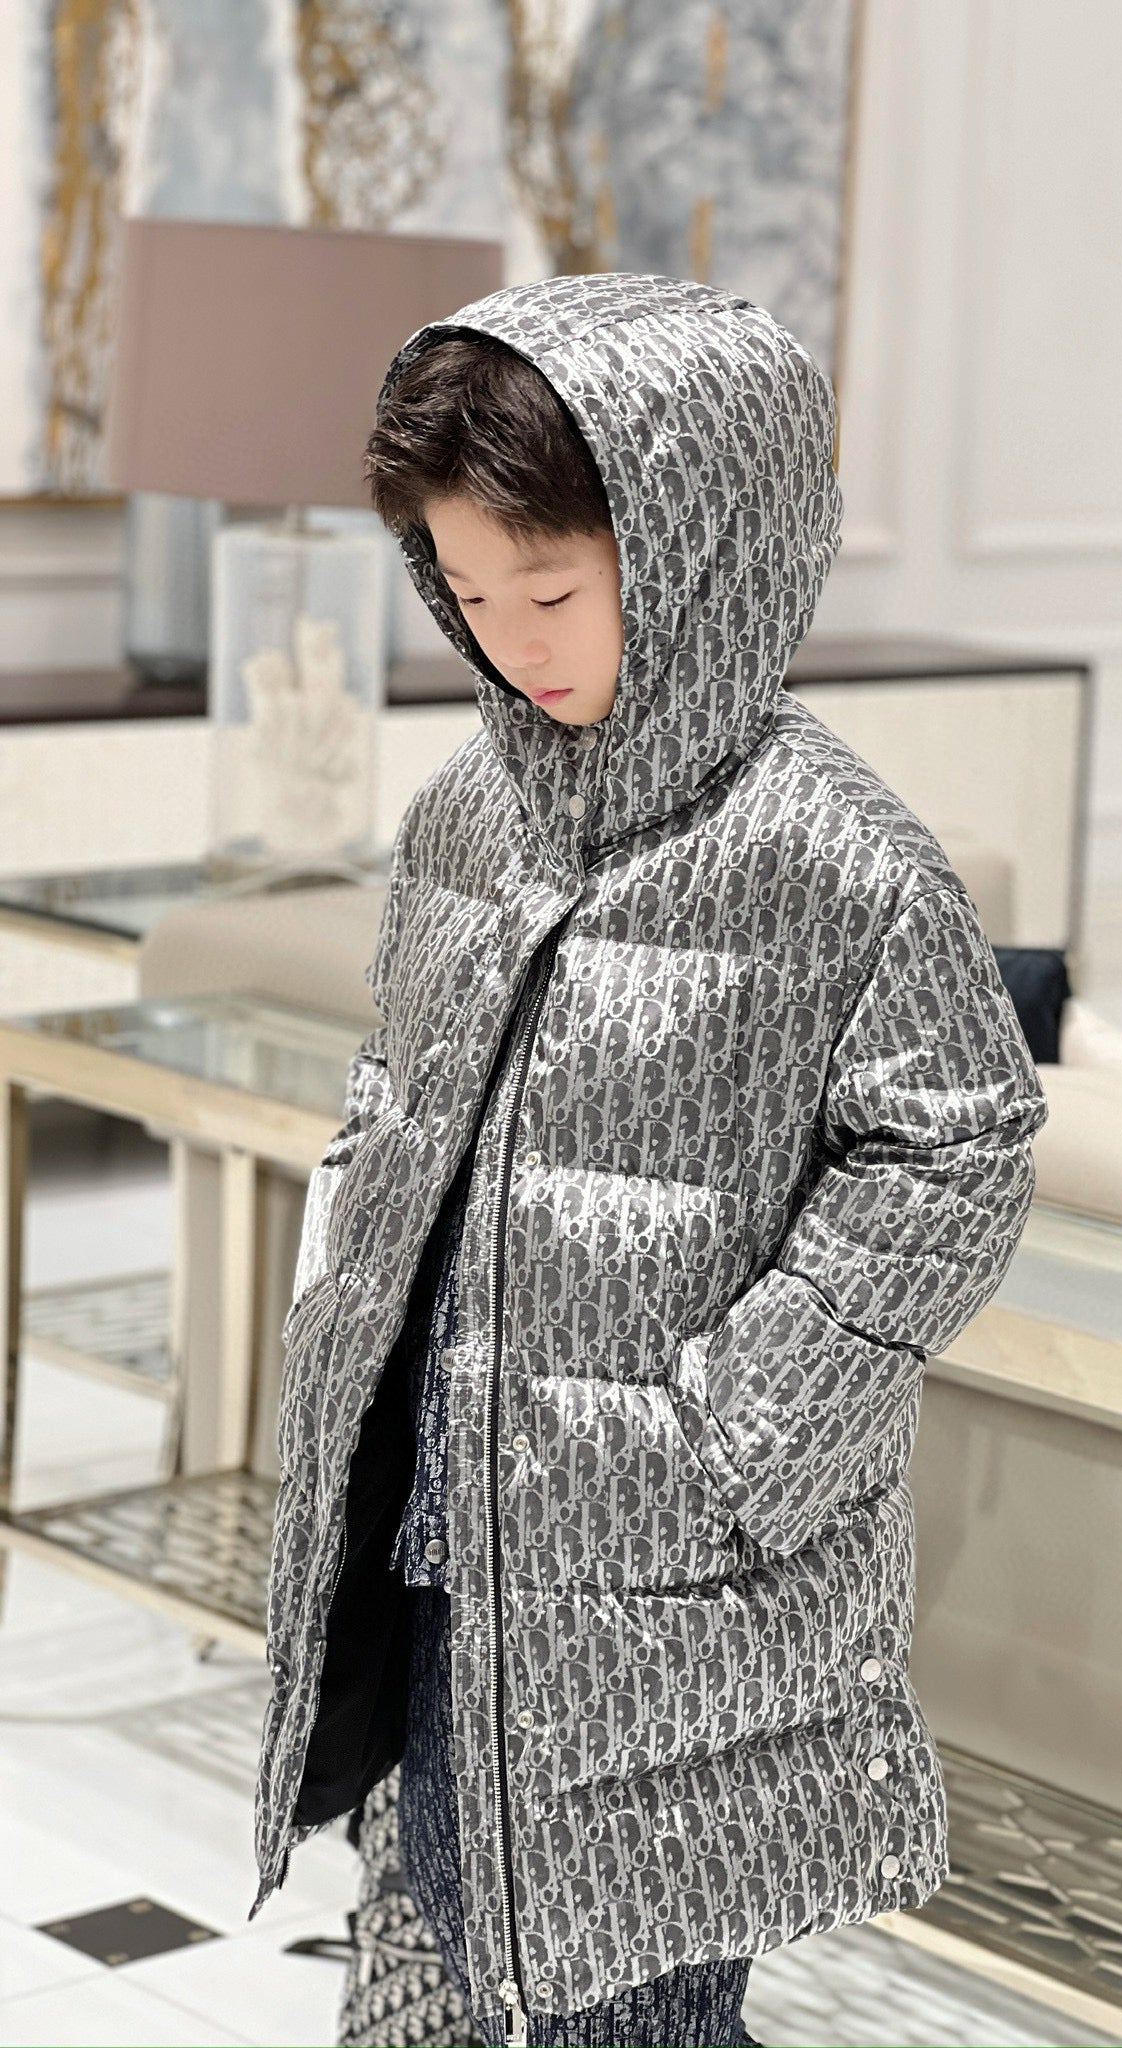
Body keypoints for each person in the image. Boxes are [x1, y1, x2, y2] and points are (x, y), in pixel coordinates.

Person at [249, 272, 1048, 2048]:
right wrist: (348, 1297)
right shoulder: (469, 810)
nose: (512, 640)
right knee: (430, 1941)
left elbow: (960, 1145)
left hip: (668, 1582)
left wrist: (744, 1433)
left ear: (701, 550)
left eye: (550, 591)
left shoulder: (836, 862)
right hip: (439, 1530)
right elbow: (403, 1073)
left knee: (628, 1994)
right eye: (466, 595)